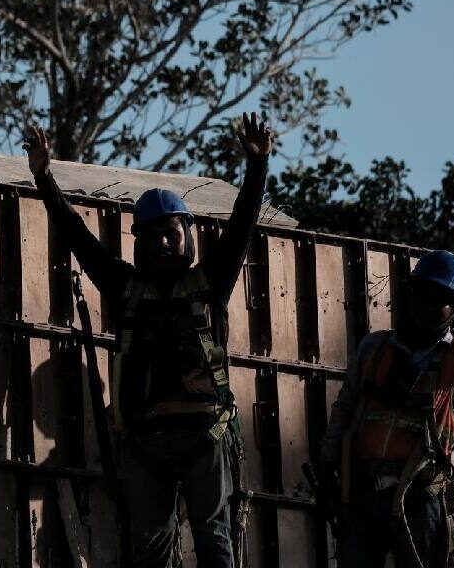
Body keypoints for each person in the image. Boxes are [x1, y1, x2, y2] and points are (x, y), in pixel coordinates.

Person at [24, 114, 273, 568]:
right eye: (152, 235)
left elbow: (241, 227)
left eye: (170, 234)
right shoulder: (125, 288)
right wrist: (45, 180)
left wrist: (257, 168)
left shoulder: (210, 283)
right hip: (144, 441)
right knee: (153, 546)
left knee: (214, 538)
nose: (162, 243)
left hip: (204, 434)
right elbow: (78, 237)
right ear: (137, 242)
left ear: (187, 236)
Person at [318, 249, 454, 568]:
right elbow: (345, 409)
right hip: (363, 494)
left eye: (439, 299)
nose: (427, 306)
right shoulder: (374, 348)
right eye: (422, 294)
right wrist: (327, 466)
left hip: (421, 499)